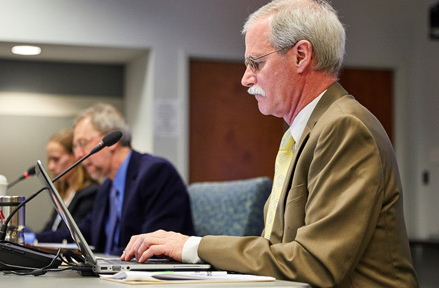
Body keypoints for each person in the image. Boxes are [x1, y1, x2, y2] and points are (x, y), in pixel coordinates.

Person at [121, 0, 419, 287]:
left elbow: (316, 263)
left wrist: (192, 247)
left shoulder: (345, 127)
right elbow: (277, 249)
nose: (245, 79)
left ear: (301, 56)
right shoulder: (306, 132)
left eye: (255, 63)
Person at [36, 103, 194, 255]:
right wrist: (29, 239)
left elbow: (155, 246)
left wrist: (107, 262)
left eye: (82, 144)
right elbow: (80, 234)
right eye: (75, 147)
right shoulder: (107, 188)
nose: (78, 155)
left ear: (111, 142)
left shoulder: (156, 174)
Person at [41, 128, 99, 232]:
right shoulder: (65, 192)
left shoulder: (90, 192)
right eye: (49, 159)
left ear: (75, 156)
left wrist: (33, 237)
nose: (50, 166)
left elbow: (70, 234)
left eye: (56, 159)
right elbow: (49, 230)